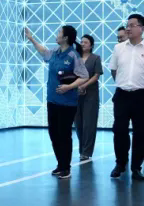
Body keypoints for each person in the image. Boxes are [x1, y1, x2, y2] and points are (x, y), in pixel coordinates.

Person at [24, 26, 89, 179]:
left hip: (67, 103)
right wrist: (31, 39)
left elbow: (84, 76)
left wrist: (69, 87)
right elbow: (43, 51)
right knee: (53, 134)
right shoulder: (55, 52)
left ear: (65, 37)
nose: (57, 34)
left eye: (59, 32)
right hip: (52, 100)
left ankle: (66, 167)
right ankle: (60, 164)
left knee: (64, 134)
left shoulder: (73, 55)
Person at [108, 14, 144, 181]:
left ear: (141, 28)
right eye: (127, 25)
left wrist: (141, 84)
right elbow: (114, 70)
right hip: (122, 95)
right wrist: (124, 83)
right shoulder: (118, 48)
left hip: (141, 96)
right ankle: (120, 163)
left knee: (141, 132)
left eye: (132, 25)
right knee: (119, 131)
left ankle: (136, 167)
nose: (128, 28)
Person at [74, 35, 103, 161]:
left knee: (89, 124)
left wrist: (84, 85)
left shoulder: (95, 58)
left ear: (91, 45)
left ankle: (86, 151)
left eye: (85, 42)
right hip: (75, 95)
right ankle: (82, 149)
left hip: (91, 95)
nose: (82, 44)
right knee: (78, 124)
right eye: (81, 42)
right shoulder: (75, 58)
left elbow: (96, 76)